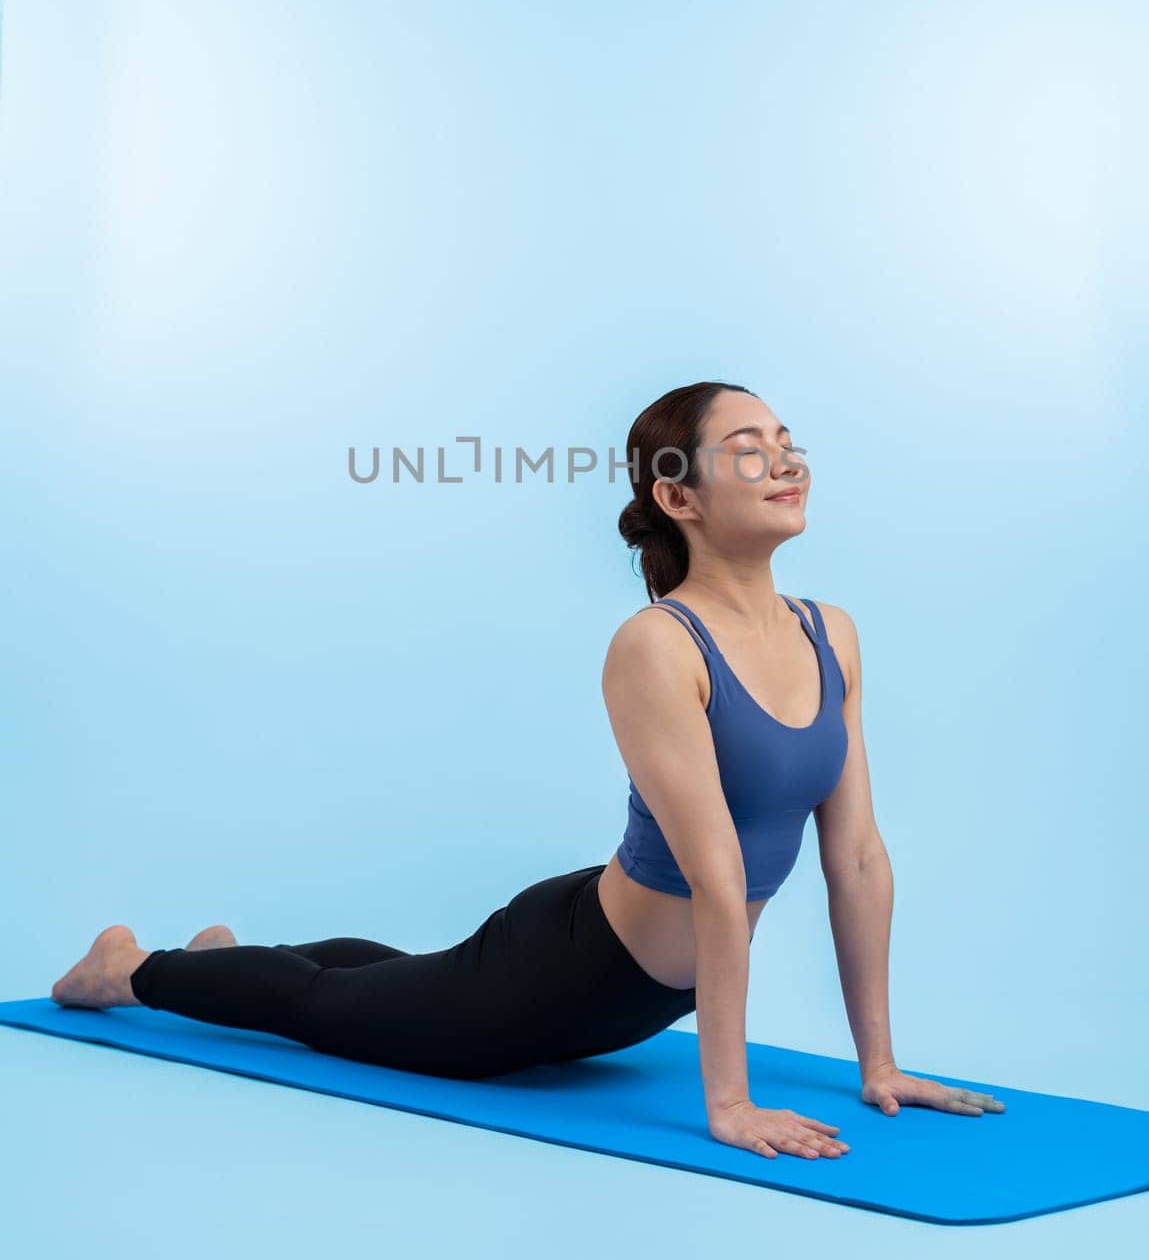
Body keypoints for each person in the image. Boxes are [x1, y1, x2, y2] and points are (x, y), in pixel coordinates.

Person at [50, 380, 1003, 1160]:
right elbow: (718, 880)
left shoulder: (828, 631)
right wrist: (729, 1106)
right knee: (333, 1011)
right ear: (679, 497)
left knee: (407, 984)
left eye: (788, 439)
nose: (786, 459)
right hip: (557, 975)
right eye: (748, 447)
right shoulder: (658, 647)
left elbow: (859, 860)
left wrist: (877, 1066)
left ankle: (228, 961)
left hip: (637, 994)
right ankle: (133, 969)